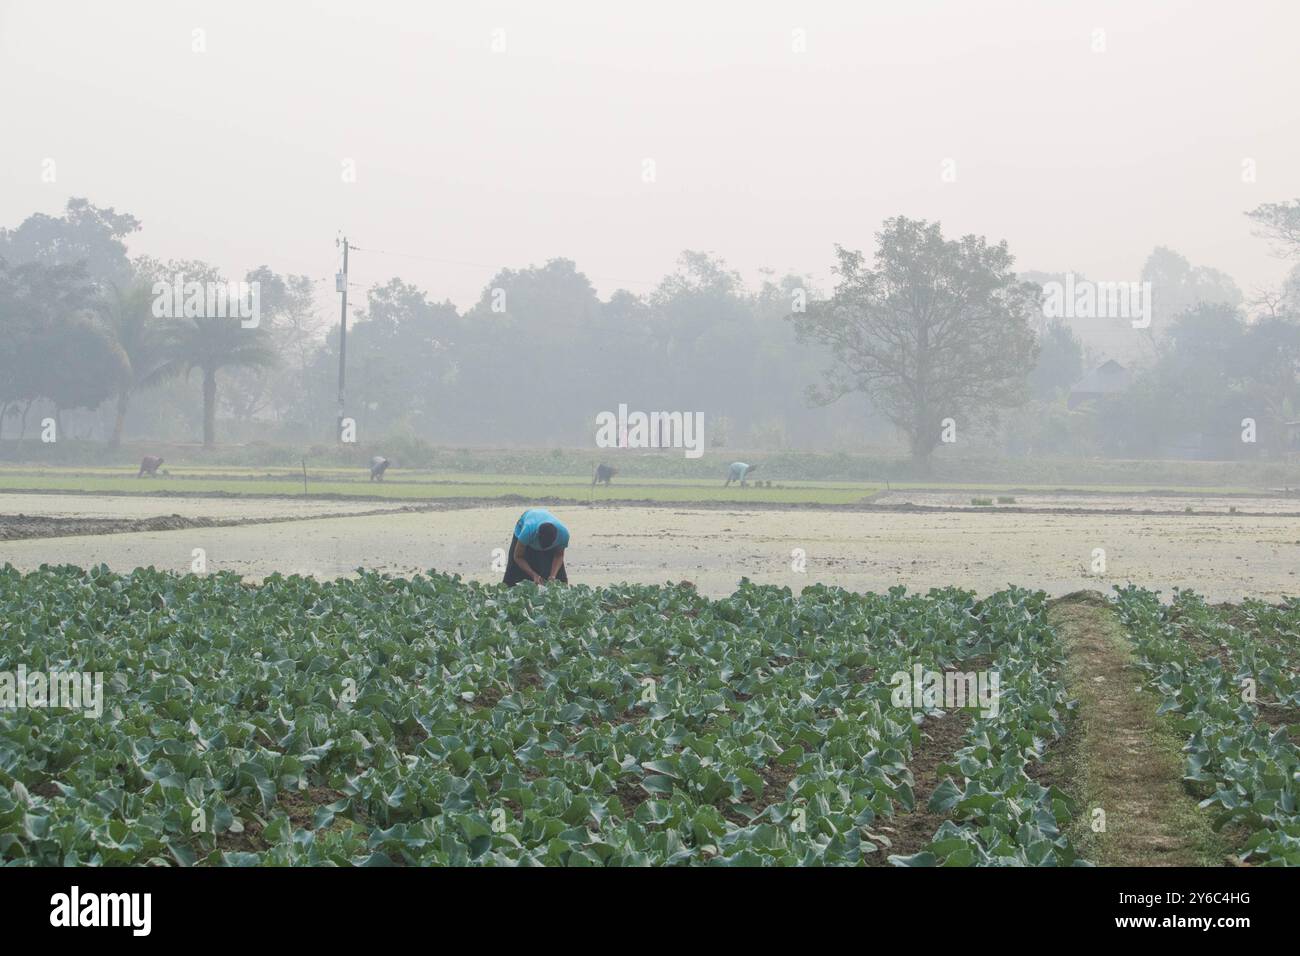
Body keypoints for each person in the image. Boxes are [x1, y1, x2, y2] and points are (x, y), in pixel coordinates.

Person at [503, 507, 569, 586]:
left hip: (545, 531)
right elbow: (518, 556)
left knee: (559, 579)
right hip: (526, 526)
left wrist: (552, 576)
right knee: (514, 574)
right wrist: (533, 574)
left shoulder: (563, 535)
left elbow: (559, 555)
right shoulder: (527, 531)